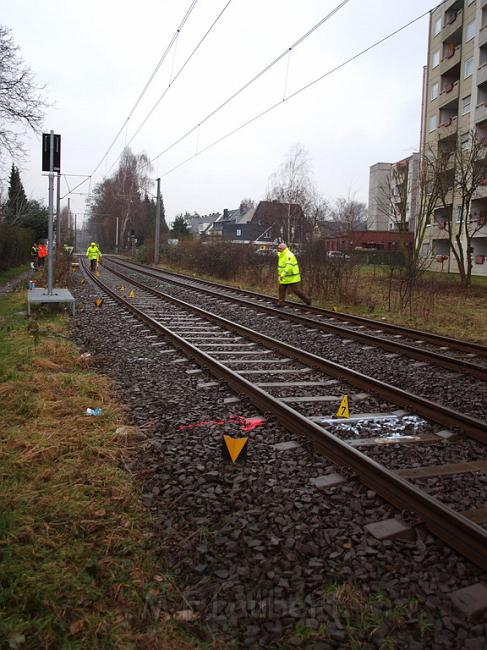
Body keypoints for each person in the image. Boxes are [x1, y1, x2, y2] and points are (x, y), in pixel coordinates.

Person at [276, 242, 311, 307]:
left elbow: (288, 266)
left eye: (280, 248)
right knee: (281, 289)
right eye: (278, 248)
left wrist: (282, 274)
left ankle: (307, 300)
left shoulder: (289, 255)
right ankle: (281, 303)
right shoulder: (281, 254)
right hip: (285, 277)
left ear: (284, 248)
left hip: (292, 277)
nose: (278, 249)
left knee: (296, 290)